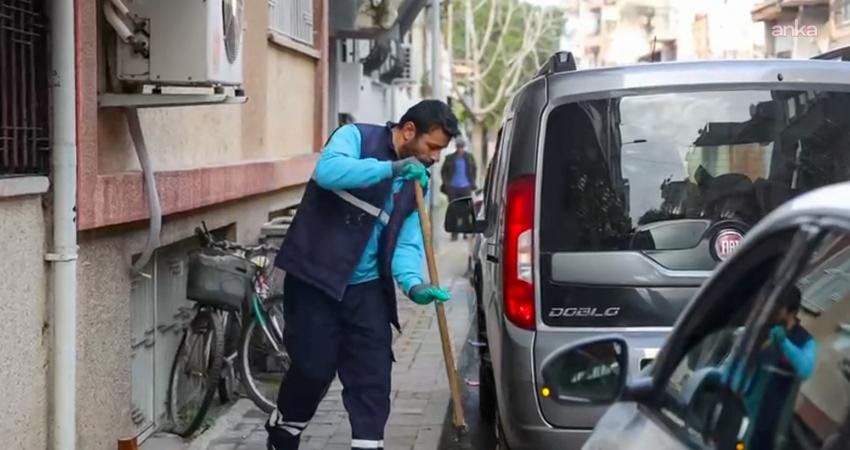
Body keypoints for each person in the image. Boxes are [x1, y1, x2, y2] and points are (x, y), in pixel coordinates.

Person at [268, 100, 461, 450]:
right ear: (408, 131)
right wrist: (393, 169)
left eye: (440, 151)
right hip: (315, 280)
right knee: (313, 369)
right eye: (432, 147)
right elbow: (329, 172)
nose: (434, 157)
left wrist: (414, 284)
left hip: (367, 289)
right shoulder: (354, 137)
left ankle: (369, 444)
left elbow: (406, 243)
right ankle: (285, 426)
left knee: (372, 377)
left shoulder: (419, 181)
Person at [741, 286, 817, 450]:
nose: (774, 312)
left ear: (792, 312)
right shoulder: (762, 329)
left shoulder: (804, 341)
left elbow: (806, 369)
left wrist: (784, 343)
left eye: (779, 308)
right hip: (743, 411)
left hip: (773, 422)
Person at [440, 137, 477, 241]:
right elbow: (443, 172)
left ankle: (465, 231)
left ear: (463, 147)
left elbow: (474, 169)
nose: (460, 149)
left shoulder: (469, 157)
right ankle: (454, 233)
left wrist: (471, 182)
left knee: (466, 210)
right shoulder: (450, 158)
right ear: (456, 147)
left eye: (461, 147)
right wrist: (447, 183)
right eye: (458, 147)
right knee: (453, 210)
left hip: (465, 187)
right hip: (453, 187)